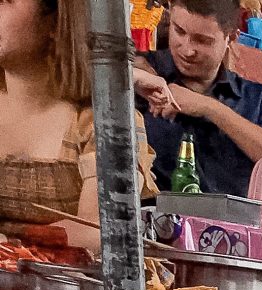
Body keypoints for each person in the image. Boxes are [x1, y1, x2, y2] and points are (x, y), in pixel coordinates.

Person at [0, 0, 154, 246]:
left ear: (55, 22)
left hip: (73, 282)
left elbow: (99, 229)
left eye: (5, 2)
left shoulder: (104, 120)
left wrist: (11, 243)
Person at [133, 0, 262, 198]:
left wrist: (209, 107)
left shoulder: (257, 98)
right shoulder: (142, 74)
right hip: (152, 222)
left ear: (231, 37)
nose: (187, 50)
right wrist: (138, 77)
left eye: (202, 41)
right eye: (179, 31)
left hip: (230, 226)